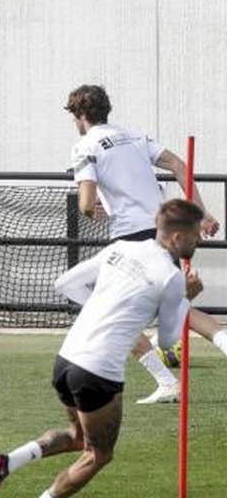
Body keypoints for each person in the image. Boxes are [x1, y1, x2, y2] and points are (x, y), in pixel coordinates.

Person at [0, 199, 206, 498]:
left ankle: (7, 462)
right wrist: (188, 297)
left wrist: (106, 308)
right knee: (99, 454)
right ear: (177, 237)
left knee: (77, 436)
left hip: (66, 359)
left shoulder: (121, 247)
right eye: (196, 233)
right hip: (98, 372)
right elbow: (166, 340)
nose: (199, 239)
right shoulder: (171, 276)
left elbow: (65, 284)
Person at [64, 84, 222, 404]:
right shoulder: (135, 137)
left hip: (129, 238)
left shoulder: (84, 146)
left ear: (80, 115)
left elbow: (85, 203)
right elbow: (179, 165)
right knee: (181, 306)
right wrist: (201, 212)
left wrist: (91, 210)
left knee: (105, 307)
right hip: (162, 233)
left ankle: (166, 382)